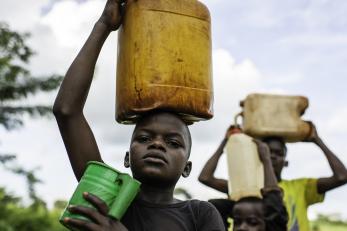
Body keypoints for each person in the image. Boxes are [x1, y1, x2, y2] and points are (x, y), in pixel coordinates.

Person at [53, 0, 225, 230]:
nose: (156, 144)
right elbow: (67, 111)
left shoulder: (200, 214)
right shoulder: (109, 199)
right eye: (144, 138)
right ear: (127, 158)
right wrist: (104, 25)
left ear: (187, 167)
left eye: (173, 142)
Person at [262, 122, 347, 231]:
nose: (272, 156)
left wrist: (317, 140)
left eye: (278, 153)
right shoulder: (250, 188)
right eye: (267, 152)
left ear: (285, 162)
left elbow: (342, 177)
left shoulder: (301, 187)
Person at [199, 128, 288, 231]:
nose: (242, 228)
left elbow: (274, 207)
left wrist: (266, 159)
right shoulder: (246, 186)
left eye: (253, 222)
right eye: (237, 221)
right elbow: (205, 178)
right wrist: (225, 142)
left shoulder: (286, 189)